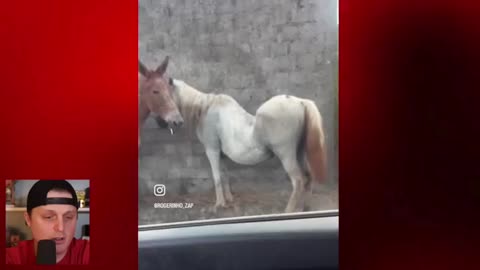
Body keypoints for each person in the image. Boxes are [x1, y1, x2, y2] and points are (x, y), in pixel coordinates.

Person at [6, 180, 89, 264]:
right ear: (28, 219)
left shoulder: (86, 253)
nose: (61, 228)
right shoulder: (11, 258)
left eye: (68, 217)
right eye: (48, 217)